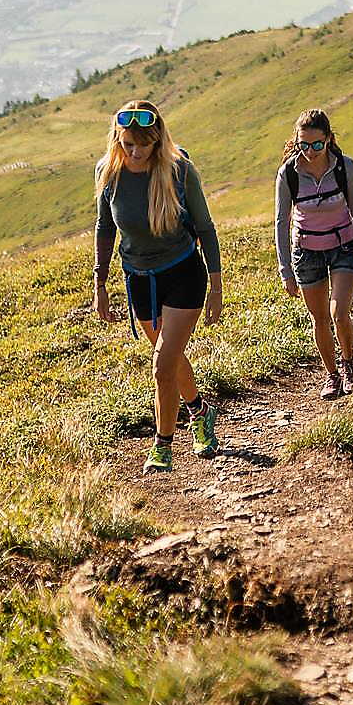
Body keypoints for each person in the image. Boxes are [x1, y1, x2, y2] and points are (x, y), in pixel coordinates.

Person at [93, 99, 223, 474]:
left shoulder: (180, 172)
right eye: (126, 144)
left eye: (142, 146)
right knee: (170, 358)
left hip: (183, 274)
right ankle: (200, 411)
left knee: (162, 365)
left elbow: (205, 229)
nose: (133, 152)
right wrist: (99, 283)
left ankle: (162, 446)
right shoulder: (108, 172)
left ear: (157, 140)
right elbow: (105, 228)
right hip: (138, 280)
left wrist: (215, 285)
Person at [274, 108, 353, 399]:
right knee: (319, 319)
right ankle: (331, 375)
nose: (310, 151)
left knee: (339, 312)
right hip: (306, 253)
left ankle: (349, 363)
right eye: (303, 145)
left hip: (344, 246)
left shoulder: (345, 167)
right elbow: (281, 221)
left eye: (317, 144)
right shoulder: (288, 173)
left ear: (329, 139)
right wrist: (285, 270)